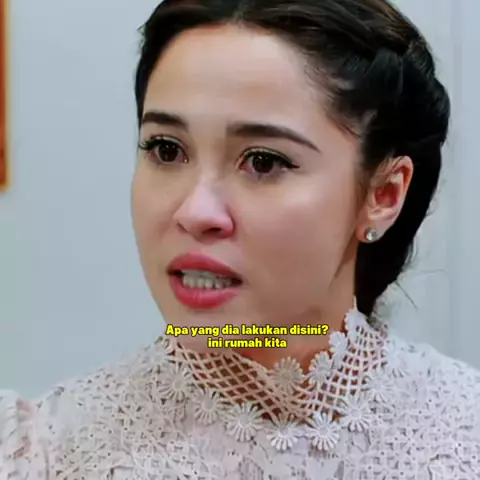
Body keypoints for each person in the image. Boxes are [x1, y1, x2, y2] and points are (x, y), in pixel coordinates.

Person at [2, 0, 479, 478]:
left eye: (264, 161)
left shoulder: (465, 434)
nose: (195, 212)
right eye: (166, 149)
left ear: (383, 193)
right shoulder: (43, 453)